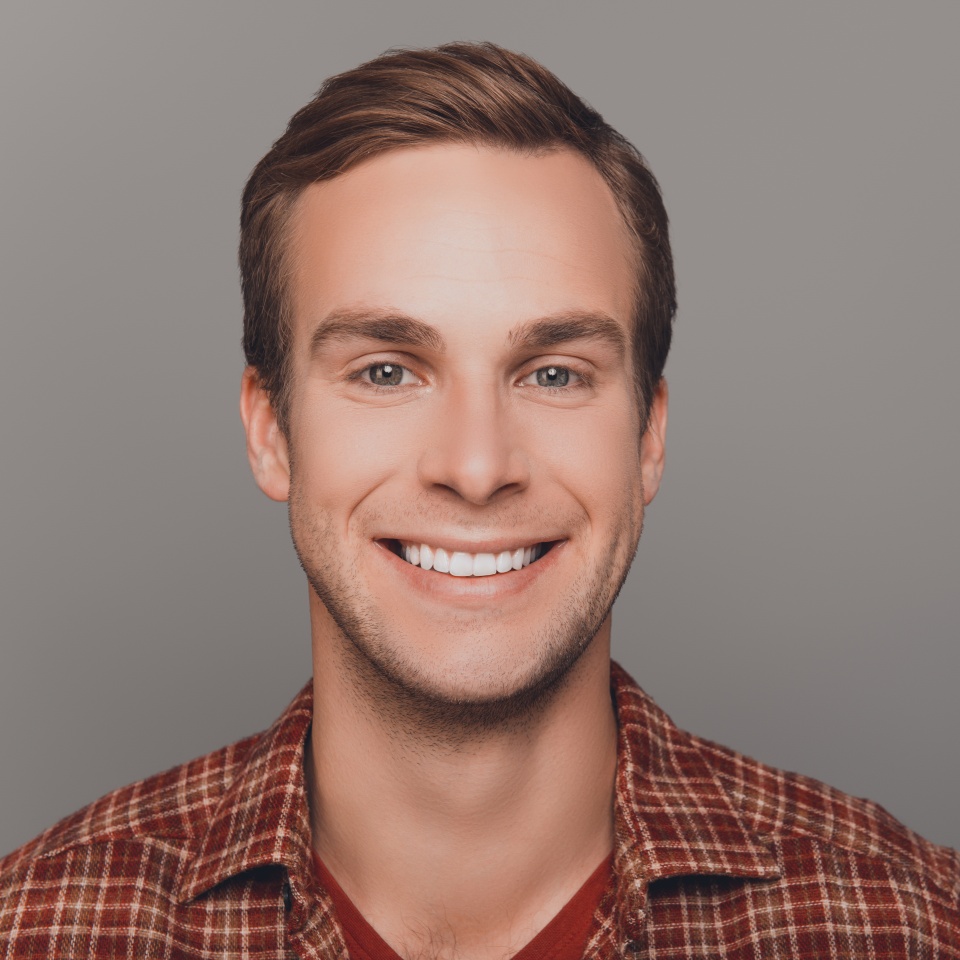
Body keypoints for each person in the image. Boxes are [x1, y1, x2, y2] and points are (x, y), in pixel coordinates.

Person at [0, 41, 956, 960]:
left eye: (552, 373)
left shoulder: (909, 924)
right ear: (271, 431)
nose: (475, 464)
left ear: (649, 438)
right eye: (385, 370)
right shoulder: (38, 928)